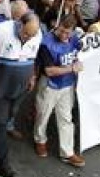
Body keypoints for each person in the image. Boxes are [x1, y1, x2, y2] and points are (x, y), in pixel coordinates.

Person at [0, 12, 43, 177]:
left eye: (31, 35)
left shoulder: (37, 33)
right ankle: (3, 164)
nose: (27, 38)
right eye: (25, 33)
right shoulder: (1, 31)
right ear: (19, 23)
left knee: (7, 116)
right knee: (0, 123)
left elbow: (33, 55)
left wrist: (32, 75)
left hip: (19, 88)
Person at [34, 15, 85, 167]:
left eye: (68, 33)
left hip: (67, 84)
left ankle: (67, 151)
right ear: (57, 26)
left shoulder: (75, 38)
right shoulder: (46, 43)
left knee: (66, 118)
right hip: (50, 85)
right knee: (43, 114)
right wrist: (72, 68)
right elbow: (49, 71)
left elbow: (86, 48)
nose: (64, 36)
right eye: (62, 31)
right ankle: (40, 139)